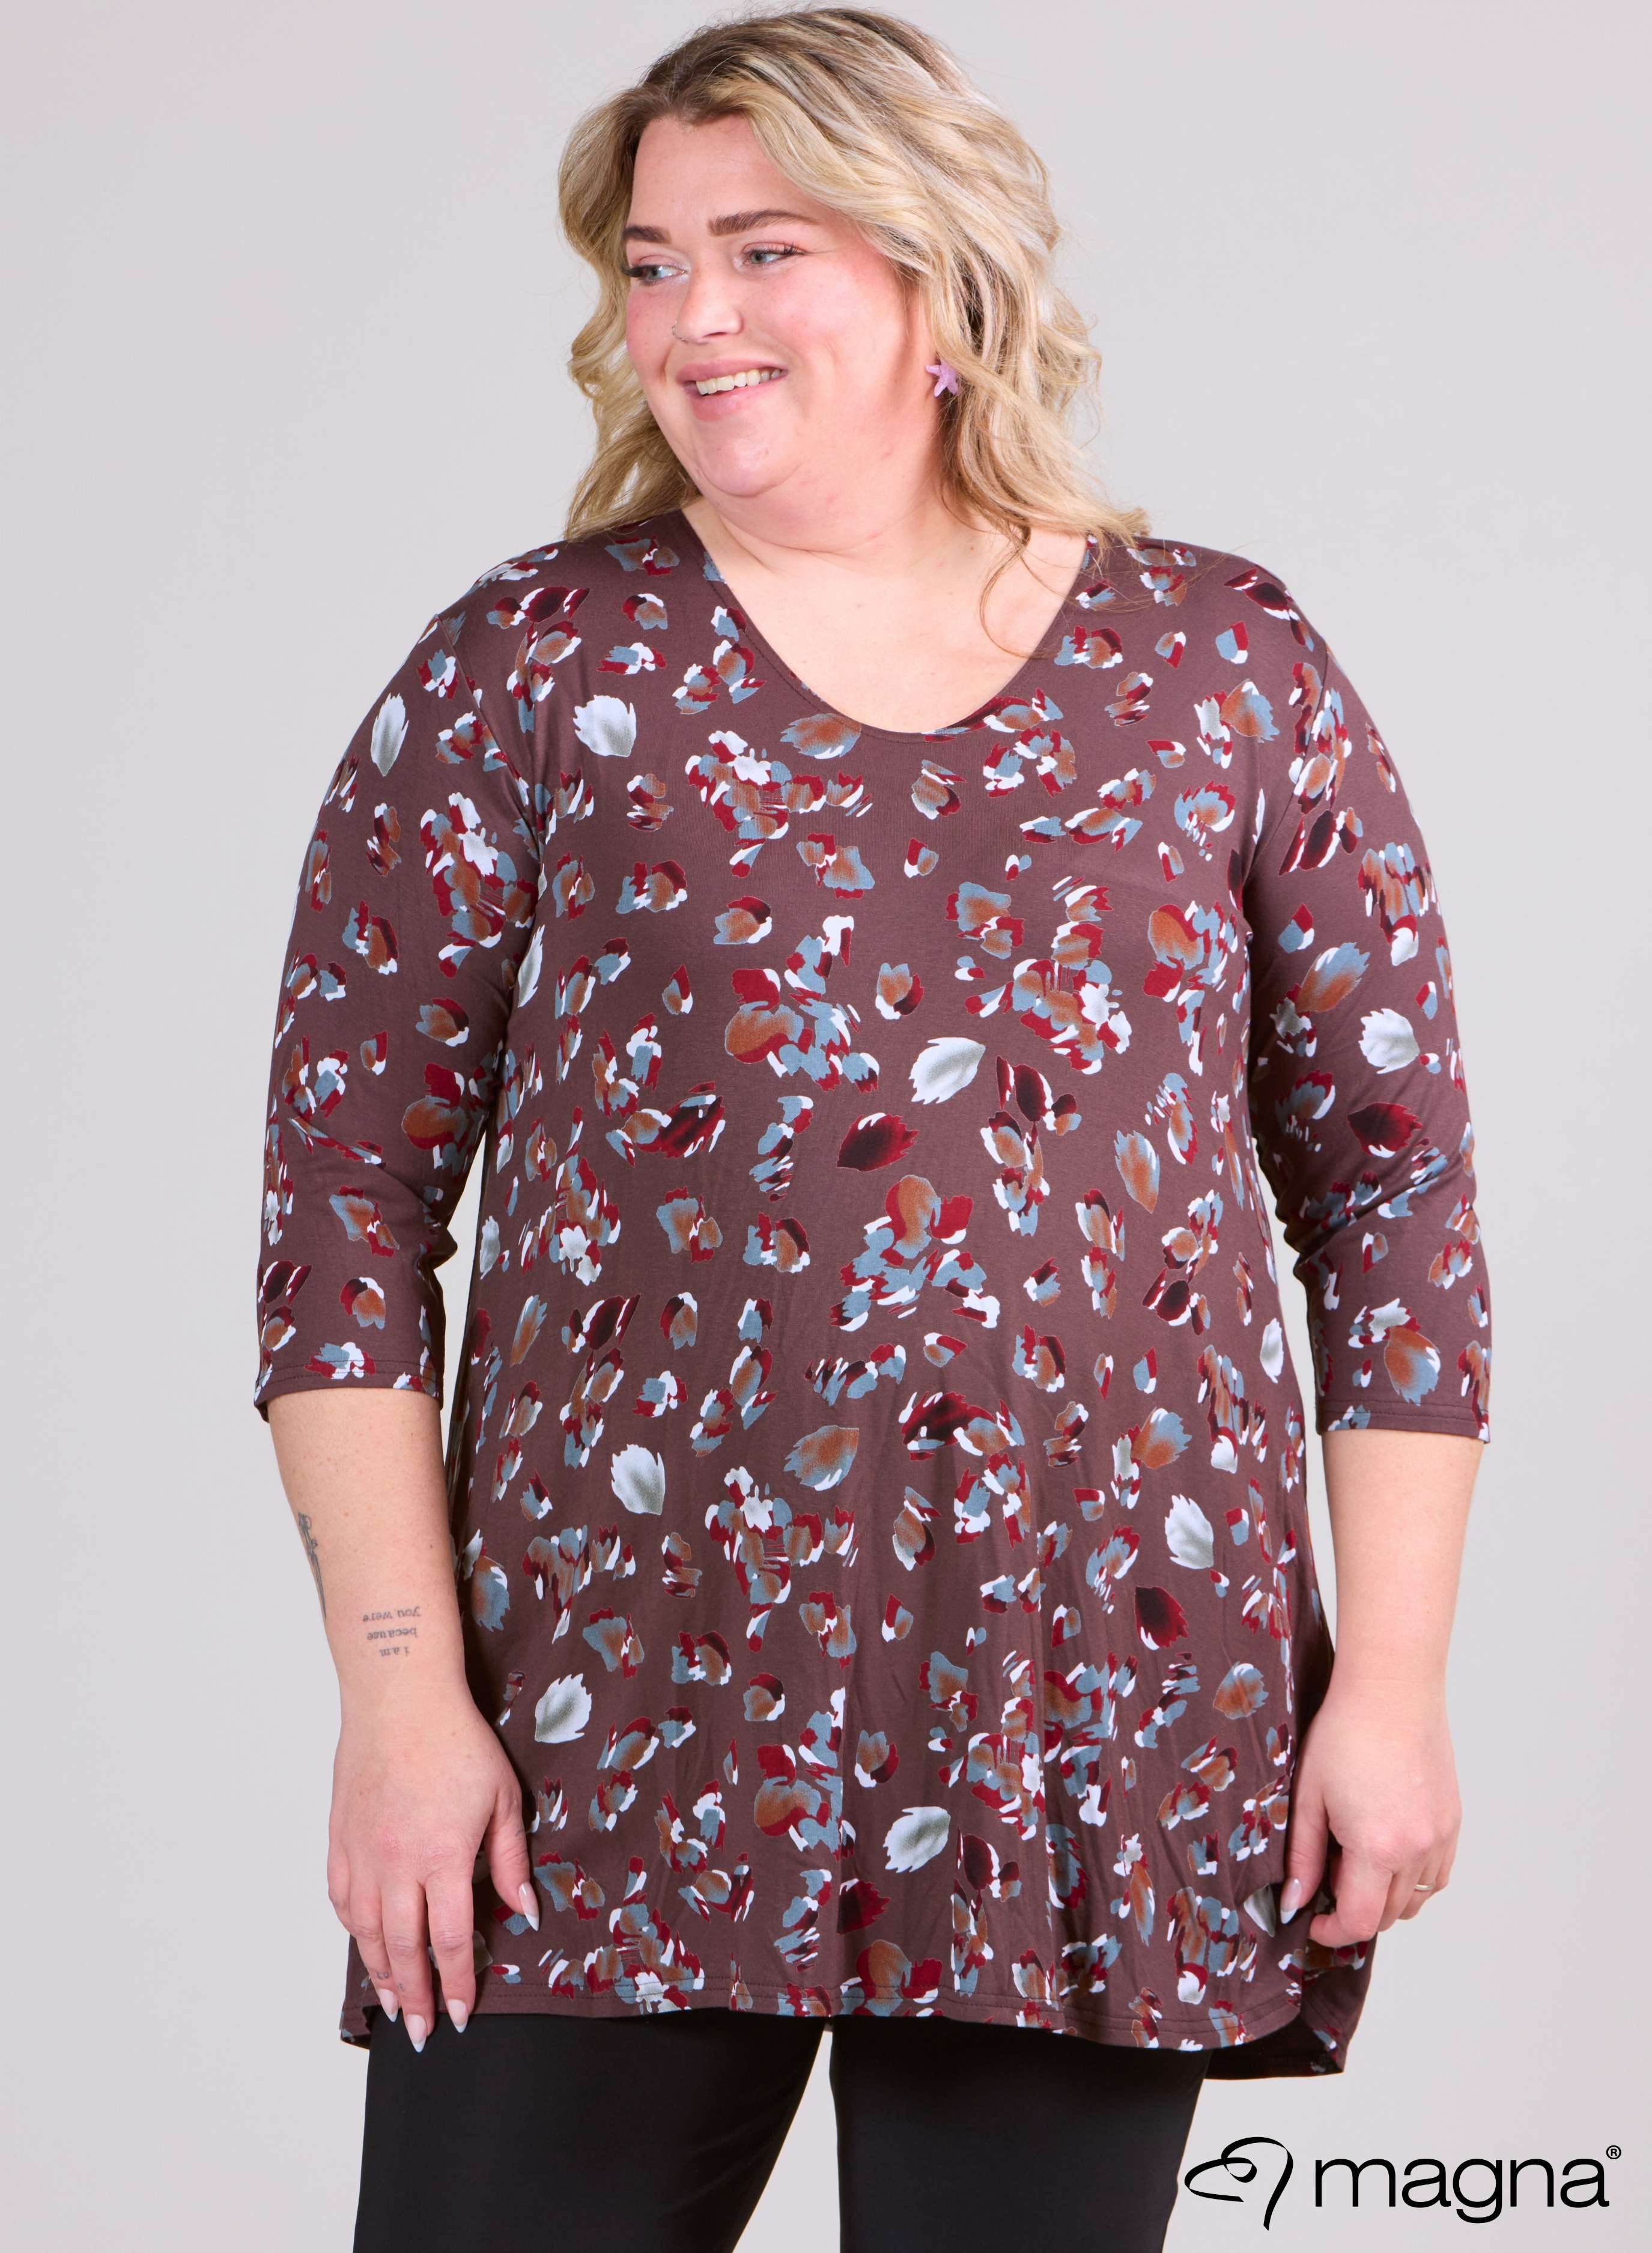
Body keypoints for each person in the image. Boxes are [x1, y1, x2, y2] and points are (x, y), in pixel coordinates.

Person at [254, 9, 1493, 2248]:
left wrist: (1391, 1684)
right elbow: (343, 1198)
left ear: (942, 283)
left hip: (1091, 1715)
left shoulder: (1223, 665)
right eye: (651, 265)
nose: (691, 319)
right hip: (610, 1726)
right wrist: (402, 1703)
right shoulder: (538, 666)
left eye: (764, 250)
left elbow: (1395, 1192)